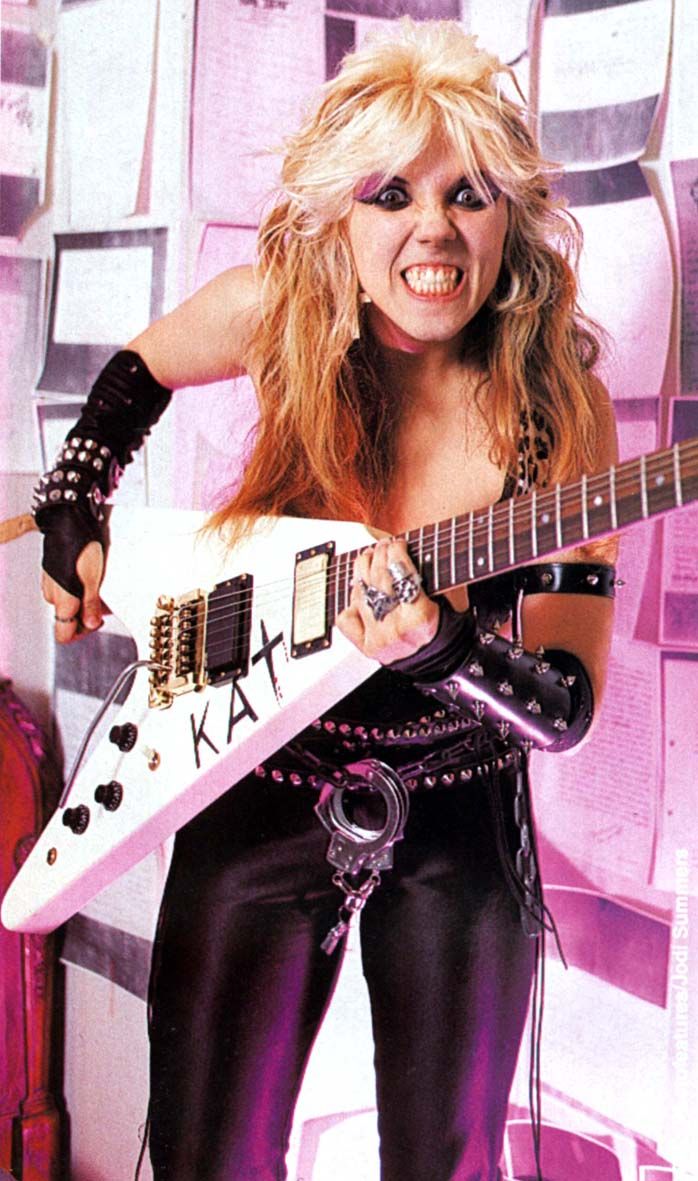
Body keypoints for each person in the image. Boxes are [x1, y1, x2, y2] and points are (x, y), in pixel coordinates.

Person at [33, 19, 619, 1181]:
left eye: (467, 193)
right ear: (340, 216)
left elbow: (563, 706)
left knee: (448, 1162)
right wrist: (72, 510)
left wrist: (441, 645)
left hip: (457, 800)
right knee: (206, 1154)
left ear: (507, 217)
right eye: (389, 193)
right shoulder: (283, 312)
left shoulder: (557, 410)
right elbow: (134, 374)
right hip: (260, 772)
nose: (431, 229)